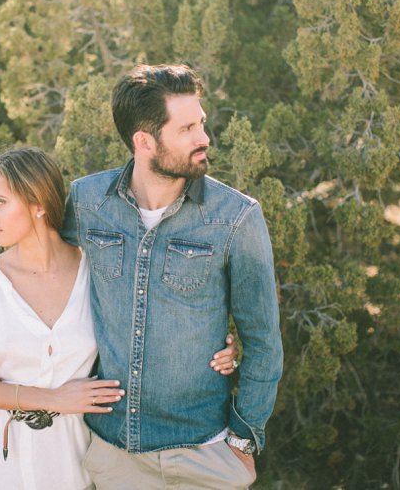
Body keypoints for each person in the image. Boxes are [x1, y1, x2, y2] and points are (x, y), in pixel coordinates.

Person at [0, 147, 239, 490]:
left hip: (77, 458)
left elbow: (148, 329)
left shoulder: (97, 270)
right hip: (2, 459)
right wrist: (53, 399)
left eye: (0, 202)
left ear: (38, 204)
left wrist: (216, 349)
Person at [62, 64, 283, 489]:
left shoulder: (236, 217)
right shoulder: (87, 201)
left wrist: (244, 441)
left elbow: (263, 340)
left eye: (200, 122)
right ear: (144, 142)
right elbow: (38, 270)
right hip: (114, 454)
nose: (204, 138)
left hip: (204, 453)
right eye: (186, 129)